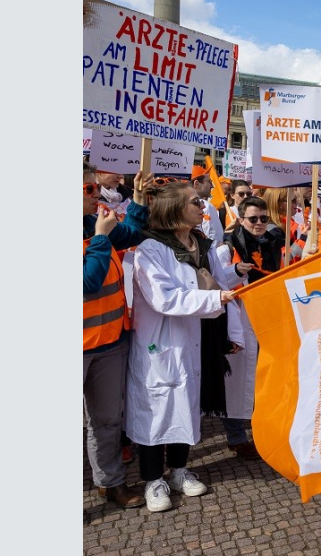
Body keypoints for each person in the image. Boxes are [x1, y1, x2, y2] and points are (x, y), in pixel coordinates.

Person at [126, 182, 242, 512]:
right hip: (159, 345)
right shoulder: (150, 250)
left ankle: (178, 471)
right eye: (194, 202)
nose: (202, 206)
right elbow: (165, 298)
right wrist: (216, 296)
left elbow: (216, 281)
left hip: (193, 339)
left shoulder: (201, 244)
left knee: (185, 407)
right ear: (175, 209)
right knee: (156, 411)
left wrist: (234, 277)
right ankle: (153, 479)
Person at [83, 164, 147, 509]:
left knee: (107, 420)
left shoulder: (95, 225)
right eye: (89, 190)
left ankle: (110, 483)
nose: (98, 196)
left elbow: (133, 234)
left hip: (108, 343)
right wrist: (101, 237)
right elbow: (86, 284)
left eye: (95, 188)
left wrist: (137, 198)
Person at [219, 195, 287, 460]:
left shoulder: (275, 241)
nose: (258, 223)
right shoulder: (227, 246)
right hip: (240, 317)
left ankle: (261, 428)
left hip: (268, 315)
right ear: (240, 218)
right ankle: (236, 437)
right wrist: (236, 271)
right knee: (236, 377)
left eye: (263, 218)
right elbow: (217, 281)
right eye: (252, 219)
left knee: (263, 374)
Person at [191, 165, 224, 249]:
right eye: (209, 181)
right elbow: (213, 239)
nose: (212, 186)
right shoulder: (206, 206)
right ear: (197, 184)